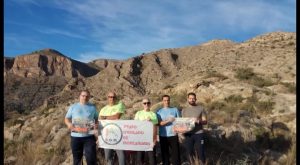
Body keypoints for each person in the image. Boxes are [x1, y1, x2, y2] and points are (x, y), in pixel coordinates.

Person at [64, 89, 99, 165]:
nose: (85, 97)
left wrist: (96, 125)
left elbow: (96, 118)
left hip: (89, 137)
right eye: (83, 96)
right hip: (75, 137)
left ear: (89, 97)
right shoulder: (73, 107)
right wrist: (69, 124)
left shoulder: (93, 107)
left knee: (91, 158)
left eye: (87, 96)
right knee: (77, 159)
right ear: (79, 96)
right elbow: (66, 118)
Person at [98, 92, 126, 165]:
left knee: (121, 154)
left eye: (113, 97)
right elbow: (100, 123)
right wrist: (98, 137)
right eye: (110, 97)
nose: (112, 98)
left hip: (118, 133)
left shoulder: (120, 105)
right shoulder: (103, 109)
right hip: (106, 134)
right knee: (108, 156)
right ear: (107, 98)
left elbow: (117, 117)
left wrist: (105, 117)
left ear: (116, 98)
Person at [181, 92, 207, 164]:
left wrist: (199, 120)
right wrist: (181, 130)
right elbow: (183, 122)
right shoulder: (184, 110)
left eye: (193, 98)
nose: (192, 100)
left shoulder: (201, 108)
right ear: (187, 99)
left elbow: (205, 121)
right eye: (190, 98)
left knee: (200, 151)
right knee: (188, 152)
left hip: (199, 134)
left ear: (196, 99)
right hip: (188, 134)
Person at [156, 95, 181, 165]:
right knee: (165, 154)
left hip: (173, 134)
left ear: (169, 100)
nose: (166, 102)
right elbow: (159, 123)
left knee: (176, 154)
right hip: (163, 135)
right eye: (165, 100)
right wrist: (168, 121)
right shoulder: (158, 111)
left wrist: (179, 131)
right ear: (162, 101)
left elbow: (179, 121)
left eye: (168, 100)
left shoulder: (175, 109)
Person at [134, 98, 158, 165]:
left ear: (150, 104)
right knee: (139, 158)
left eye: (148, 103)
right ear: (142, 104)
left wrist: (154, 140)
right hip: (140, 138)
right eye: (145, 103)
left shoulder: (153, 114)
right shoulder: (138, 113)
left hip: (150, 139)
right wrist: (144, 122)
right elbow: (135, 126)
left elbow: (155, 128)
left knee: (152, 158)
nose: (146, 104)